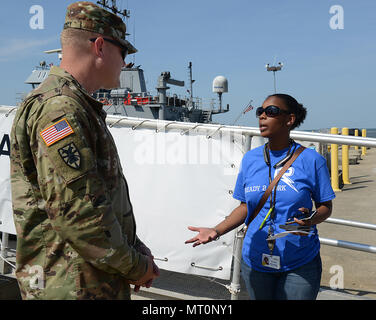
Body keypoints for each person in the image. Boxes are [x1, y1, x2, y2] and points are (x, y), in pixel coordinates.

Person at [10, 1, 159, 300]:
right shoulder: (60, 109)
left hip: (86, 282)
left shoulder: (76, 107)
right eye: (124, 52)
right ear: (100, 47)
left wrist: (135, 247)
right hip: (72, 288)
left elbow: (99, 198)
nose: (126, 63)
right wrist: (136, 266)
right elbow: (81, 217)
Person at [186, 93, 335, 300]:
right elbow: (245, 206)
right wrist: (215, 230)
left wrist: (312, 218)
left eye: (271, 112)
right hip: (256, 259)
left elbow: (326, 206)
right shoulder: (250, 159)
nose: (262, 116)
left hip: (299, 261)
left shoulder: (312, 160)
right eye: (260, 112)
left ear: (289, 120)